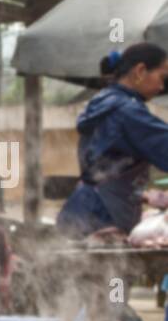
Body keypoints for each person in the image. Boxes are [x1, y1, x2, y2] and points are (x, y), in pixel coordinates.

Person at [57, 42, 168, 239]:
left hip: (82, 210)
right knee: (109, 270)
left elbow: (108, 168)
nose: (161, 87)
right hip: (102, 217)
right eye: (162, 77)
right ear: (140, 71)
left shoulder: (104, 102)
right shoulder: (127, 112)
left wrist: (143, 194)